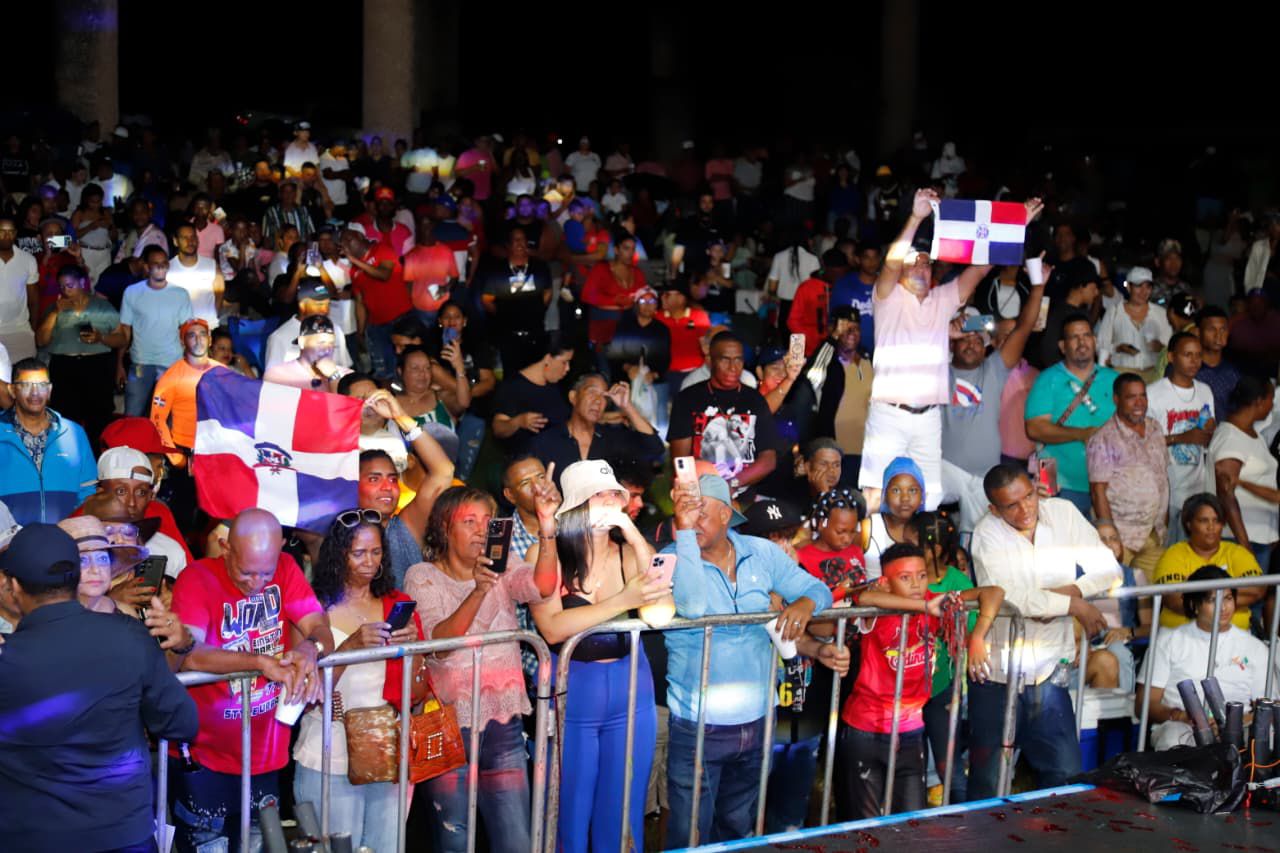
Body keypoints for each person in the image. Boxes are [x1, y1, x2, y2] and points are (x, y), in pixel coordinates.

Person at [0, 523, 198, 853]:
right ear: (75, 576)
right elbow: (181, 723)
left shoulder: (8, 659)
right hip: (123, 835)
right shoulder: (129, 637)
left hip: (32, 838)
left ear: (15, 586)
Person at [663, 472, 837, 846]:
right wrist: (684, 534)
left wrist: (806, 604)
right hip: (699, 725)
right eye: (686, 512)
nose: (692, 520)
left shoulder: (761, 553)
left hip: (758, 721)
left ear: (726, 515)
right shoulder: (671, 557)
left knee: (738, 829)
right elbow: (691, 606)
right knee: (690, 833)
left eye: (700, 512)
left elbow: (817, 589)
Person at [861, 189, 1044, 512]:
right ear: (901, 271)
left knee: (930, 496)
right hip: (889, 413)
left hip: (929, 417)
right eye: (912, 264)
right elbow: (889, 263)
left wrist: (1017, 227)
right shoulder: (887, 297)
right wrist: (916, 217)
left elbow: (979, 269)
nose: (920, 268)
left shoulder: (941, 301)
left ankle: (917, 545)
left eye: (926, 264)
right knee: (877, 493)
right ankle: (872, 546)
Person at [405, 484, 560, 853]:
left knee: (515, 838)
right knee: (454, 835)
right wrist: (477, 591)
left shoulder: (503, 565)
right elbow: (441, 643)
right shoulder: (421, 575)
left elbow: (542, 586)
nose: (481, 530)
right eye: (469, 521)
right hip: (444, 724)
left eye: (487, 521)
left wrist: (547, 525)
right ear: (444, 529)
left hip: (503, 722)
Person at [169, 509, 333, 853]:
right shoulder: (197, 577)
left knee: (260, 844)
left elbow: (319, 626)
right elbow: (191, 655)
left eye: (265, 573)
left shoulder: (286, 568)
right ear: (225, 547)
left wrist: (309, 648)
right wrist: (258, 663)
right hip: (205, 754)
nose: (256, 583)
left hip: (265, 751)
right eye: (245, 572)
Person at [529, 460, 672, 853]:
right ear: (577, 503)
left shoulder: (629, 552)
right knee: (571, 809)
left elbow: (661, 610)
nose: (611, 501)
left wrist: (634, 537)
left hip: (631, 690)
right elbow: (552, 627)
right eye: (600, 494)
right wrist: (623, 601)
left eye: (615, 495)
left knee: (623, 807)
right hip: (574, 693)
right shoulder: (547, 553)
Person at [969, 463, 1120, 801]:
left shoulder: (1063, 512)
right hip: (997, 673)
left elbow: (1108, 568)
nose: (1025, 509)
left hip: (1050, 669)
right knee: (989, 780)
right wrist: (1073, 605)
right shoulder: (985, 534)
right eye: (1011, 505)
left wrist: (1071, 596)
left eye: (1029, 496)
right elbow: (1010, 598)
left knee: (1065, 775)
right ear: (993, 508)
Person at [293, 510, 427, 853]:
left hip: (384, 745)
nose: (370, 562)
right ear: (338, 554)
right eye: (359, 553)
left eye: (376, 552)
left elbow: (418, 690)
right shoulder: (311, 608)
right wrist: (350, 646)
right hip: (329, 748)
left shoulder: (396, 603)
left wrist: (414, 651)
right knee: (338, 847)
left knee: (387, 846)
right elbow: (302, 690)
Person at [839, 543, 1003, 818]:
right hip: (867, 728)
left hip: (911, 729)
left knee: (912, 820)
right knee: (866, 823)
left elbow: (994, 592)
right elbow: (864, 598)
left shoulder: (934, 601)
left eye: (922, 575)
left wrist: (977, 636)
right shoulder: (884, 605)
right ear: (886, 581)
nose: (916, 584)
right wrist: (924, 606)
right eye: (905, 577)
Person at [941, 271, 1045, 531]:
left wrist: (1037, 286)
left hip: (984, 480)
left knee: (979, 541)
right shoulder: (937, 371)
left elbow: (1023, 328)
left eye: (978, 340)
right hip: (945, 475)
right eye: (964, 340)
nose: (971, 345)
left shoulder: (994, 370)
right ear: (951, 344)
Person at [1140, 565, 1277, 751]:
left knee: (1268, 735)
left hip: (1241, 726)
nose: (1223, 607)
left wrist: (1233, 725)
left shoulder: (1254, 647)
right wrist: (1184, 717)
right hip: (1182, 725)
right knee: (1173, 738)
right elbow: (1145, 704)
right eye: (1213, 600)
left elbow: (1269, 707)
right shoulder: (1168, 641)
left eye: (1228, 598)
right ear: (1194, 605)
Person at [1024, 314, 1120, 517]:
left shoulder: (1114, 379)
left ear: (1094, 340)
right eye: (1074, 337)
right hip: (1055, 477)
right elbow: (1034, 428)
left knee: (1104, 535)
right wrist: (1082, 434)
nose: (1082, 342)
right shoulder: (1047, 379)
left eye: (1086, 335)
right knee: (1056, 532)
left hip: (1109, 482)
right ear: (1062, 346)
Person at [668, 330, 780, 492]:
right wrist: (698, 492)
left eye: (738, 360)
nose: (733, 367)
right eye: (725, 359)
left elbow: (768, 460)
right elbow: (681, 460)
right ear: (711, 361)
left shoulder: (755, 400)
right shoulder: (688, 398)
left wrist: (732, 484)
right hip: (701, 490)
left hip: (743, 489)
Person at [1085, 373, 1169, 578]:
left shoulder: (1155, 428)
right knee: (1118, 594)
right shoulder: (1103, 438)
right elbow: (1097, 491)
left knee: (1151, 594)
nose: (1139, 403)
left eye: (1143, 396)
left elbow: (1162, 476)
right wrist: (1110, 537)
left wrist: (1163, 521)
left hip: (1153, 534)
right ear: (1116, 400)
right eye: (1131, 397)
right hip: (1122, 536)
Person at [0, 357, 97, 524]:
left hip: (65, 536)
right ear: (12, 390)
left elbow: (88, 492)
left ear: (50, 390)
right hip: (9, 538)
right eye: (26, 385)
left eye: (42, 385)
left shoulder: (74, 433)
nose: (35, 392)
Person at [1152, 493, 1264, 633]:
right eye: (1204, 521)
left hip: (1235, 636)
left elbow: (1256, 591)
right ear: (1189, 524)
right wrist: (1226, 597)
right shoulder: (1173, 555)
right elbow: (1174, 600)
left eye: (1216, 521)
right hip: (1183, 637)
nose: (1211, 527)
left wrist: (1200, 597)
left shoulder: (1237, 552)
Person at [531, 373, 665, 489]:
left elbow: (655, 447)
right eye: (592, 392)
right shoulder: (545, 441)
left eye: (604, 396)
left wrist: (627, 406)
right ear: (573, 397)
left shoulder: (612, 439)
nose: (598, 400)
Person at [106, 244, 195, 417]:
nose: (161, 267)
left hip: (172, 363)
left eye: (164, 263)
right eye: (156, 263)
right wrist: (119, 365)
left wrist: (190, 364)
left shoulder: (180, 294)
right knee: (133, 416)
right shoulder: (132, 292)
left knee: (169, 417)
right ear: (146, 267)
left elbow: (187, 330)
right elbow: (125, 330)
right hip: (141, 362)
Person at [36, 263, 120, 444]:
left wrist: (101, 337)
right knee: (65, 416)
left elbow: (121, 338)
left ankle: (96, 455)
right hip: (64, 366)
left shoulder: (102, 306)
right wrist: (55, 313)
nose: (66, 290)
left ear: (82, 283)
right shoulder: (55, 308)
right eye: (62, 287)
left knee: (98, 417)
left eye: (70, 285)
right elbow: (41, 340)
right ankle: (67, 454)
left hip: (96, 365)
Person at [1146, 332, 1217, 544]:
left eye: (1198, 355)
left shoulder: (1205, 391)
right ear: (1171, 357)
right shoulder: (1153, 393)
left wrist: (1209, 431)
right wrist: (1181, 437)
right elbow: (1143, 443)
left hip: (1197, 484)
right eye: (1187, 354)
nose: (1194, 361)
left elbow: (1208, 434)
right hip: (1166, 485)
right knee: (1167, 548)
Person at [1210, 376, 1279, 567]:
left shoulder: (1252, 434)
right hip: (1239, 538)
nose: (1272, 405)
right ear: (1259, 401)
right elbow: (1225, 493)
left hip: (1258, 536)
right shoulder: (1231, 437)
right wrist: (1244, 544)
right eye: (1271, 399)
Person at [151, 318, 225, 458]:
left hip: (217, 448)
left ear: (209, 340)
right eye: (191, 335)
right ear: (182, 342)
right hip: (185, 449)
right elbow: (157, 420)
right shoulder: (171, 376)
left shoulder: (223, 372)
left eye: (202, 334)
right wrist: (174, 456)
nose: (198, 339)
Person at [491, 335, 574, 458]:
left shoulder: (557, 386)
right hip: (528, 460)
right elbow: (498, 428)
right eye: (564, 362)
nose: (567, 368)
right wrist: (518, 421)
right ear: (547, 359)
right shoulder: (512, 387)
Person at [1094, 267, 1171, 382]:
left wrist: (1160, 347)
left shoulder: (1160, 314)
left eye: (1148, 286)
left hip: (1153, 374)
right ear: (1129, 287)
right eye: (1139, 286)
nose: (1144, 292)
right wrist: (1118, 348)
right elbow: (1100, 345)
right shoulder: (1114, 312)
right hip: (1121, 373)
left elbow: (1171, 347)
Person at [263, 277, 354, 370]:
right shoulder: (279, 338)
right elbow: (272, 376)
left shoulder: (336, 330)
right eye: (319, 305)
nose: (325, 310)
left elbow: (345, 368)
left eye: (328, 304)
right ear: (302, 305)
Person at [796, 488, 868, 601]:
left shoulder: (856, 552)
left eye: (852, 532)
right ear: (821, 524)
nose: (847, 539)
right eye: (840, 532)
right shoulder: (801, 558)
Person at [865, 456, 925, 579]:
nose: (905, 498)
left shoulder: (929, 527)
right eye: (896, 490)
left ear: (922, 496)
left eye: (913, 490)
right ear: (884, 496)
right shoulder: (869, 527)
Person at [262, 314, 350, 392]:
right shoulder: (278, 376)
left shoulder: (346, 376)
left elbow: (346, 405)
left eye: (331, 344)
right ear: (302, 342)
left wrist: (334, 376)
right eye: (321, 343)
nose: (327, 350)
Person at [787, 250, 850, 357]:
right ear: (825, 269)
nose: (838, 278)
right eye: (834, 274)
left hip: (837, 348)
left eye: (841, 274)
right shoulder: (806, 287)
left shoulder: (846, 286)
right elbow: (792, 321)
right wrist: (810, 340)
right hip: (807, 348)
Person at [168, 222, 225, 330]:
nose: (190, 241)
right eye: (184, 238)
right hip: (179, 329)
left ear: (197, 240)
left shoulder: (211, 265)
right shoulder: (168, 269)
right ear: (175, 241)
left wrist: (213, 317)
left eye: (193, 237)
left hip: (208, 327)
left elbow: (219, 292)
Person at [0, 215, 40, 362]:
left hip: (19, 330)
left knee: (25, 373)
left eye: (10, 231)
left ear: (15, 233)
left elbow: (34, 300)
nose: (6, 236)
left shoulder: (28, 259)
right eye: (2, 231)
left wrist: (33, 329)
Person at [830, 244, 881, 353]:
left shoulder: (887, 284)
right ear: (858, 259)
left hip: (881, 349)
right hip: (852, 352)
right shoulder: (844, 285)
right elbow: (832, 322)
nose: (872, 262)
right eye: (867, 257)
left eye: (875, 257)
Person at [1195, 306, 1241, 421]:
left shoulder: (1234, 371)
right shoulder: (1190, 371)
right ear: (1198, 332)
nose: (1218, 335)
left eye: (1223, 329)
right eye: (1211, 329)